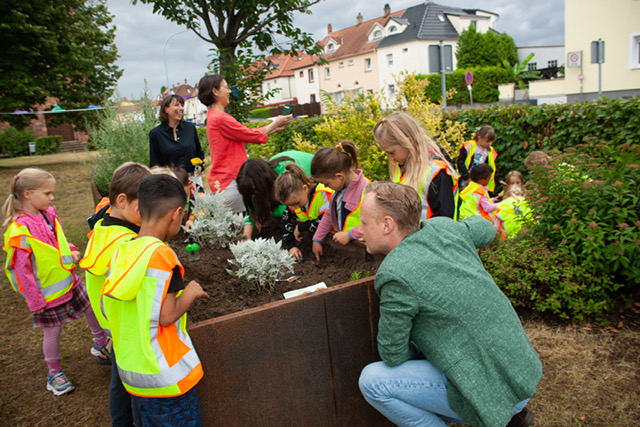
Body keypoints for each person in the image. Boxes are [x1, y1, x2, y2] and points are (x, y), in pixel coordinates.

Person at [357, 181, 542, 427]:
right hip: (522, 368)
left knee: (372, 381)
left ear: (387, 224)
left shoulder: (395, 274)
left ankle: (498, 410)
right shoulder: (444, 227)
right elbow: (486, 228)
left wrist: (421, 349)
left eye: (364, 223)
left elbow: (393, 353)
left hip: (495, 381)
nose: (359, 231)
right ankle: (509, 418)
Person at [102, 174, 209, 425]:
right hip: (166, 376)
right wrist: (191, 291)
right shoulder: (161, 255)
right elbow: (167, 315)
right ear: (176, 214)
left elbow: (109, 308)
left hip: (134, 373)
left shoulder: (122, 251)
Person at [2, 168, 111, 396]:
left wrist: (70, 249)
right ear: (28, 194)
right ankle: (54, 373)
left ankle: (101, 342)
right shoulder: (19, 231)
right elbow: (22, 270)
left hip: (68, 280)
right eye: (47, 193)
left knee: (90, 307)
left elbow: (56, 241)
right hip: (47, 294)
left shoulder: (48, 215)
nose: (52, 198)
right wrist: (35, 300)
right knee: (53, 332)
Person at [79, 162, 150, 425]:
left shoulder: (104, 228)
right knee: (130, 383)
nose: (149, 212)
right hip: (126, 325)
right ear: (122, 200)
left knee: (119, 378)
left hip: (111, 323)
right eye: (144, 206)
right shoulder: (126, 243)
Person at [197, 73, 292, 212]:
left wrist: (273, 128)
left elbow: (243, 134)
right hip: (231, 180)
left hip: (226, 180)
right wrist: (275, 123)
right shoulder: (220, 118)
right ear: (215, 91)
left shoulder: (214, 116)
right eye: (226, 87)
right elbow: (248, 135)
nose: (229, 91)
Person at [373, 112, 458, 219]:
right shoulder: (403, 167)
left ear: (408, 142)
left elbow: (445, 220)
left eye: (392, 152)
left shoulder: (437, 172)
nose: (390, 158)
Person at [310, 141, 370, 261]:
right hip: (351, 248)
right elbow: (329, 215)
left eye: (327, 183)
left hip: (366, 252)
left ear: (339, 176)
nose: (326, 187)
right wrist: (317, 239)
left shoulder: (367, 191)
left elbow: (373, 224)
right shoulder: (340, 189)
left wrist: (350, 234)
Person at [236, 150, 314, 239]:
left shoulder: (286, 177)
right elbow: (253, 210)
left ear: (262, 182)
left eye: (255, 192)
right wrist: (247, 235)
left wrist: (268, 211)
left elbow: (293, 205)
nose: (253, 197)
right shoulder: (259, 183)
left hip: (316, 168)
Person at [273, 162, 334, 260]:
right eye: (289, 205)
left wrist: (301, 226)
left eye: (296, 203)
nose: (294, 208)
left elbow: (327, 221)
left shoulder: (323, 193)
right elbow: (285, 222)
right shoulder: (294, 199)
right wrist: (291, 246)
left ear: (305, 189)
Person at [149, 94, 205, 189]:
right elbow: (155, 165)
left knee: (200, 204)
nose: (181, 108)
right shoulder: (156, 134)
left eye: (182, 105)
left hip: (193, 180)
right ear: (166, 109)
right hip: (170, 184)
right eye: (177, 105)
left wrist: (199, 166)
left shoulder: (190, 128)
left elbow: (199, 153)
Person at [457, 125, 503, 193]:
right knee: (465, 195)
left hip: (480, 180)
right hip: (466, 177)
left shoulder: (490, 152)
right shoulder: (469, 146)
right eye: (487, 141)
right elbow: (460, 162)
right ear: (480, 138)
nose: (490, 144)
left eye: (491, 142)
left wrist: (499, 179)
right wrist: (467, 178)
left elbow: (493, 167)